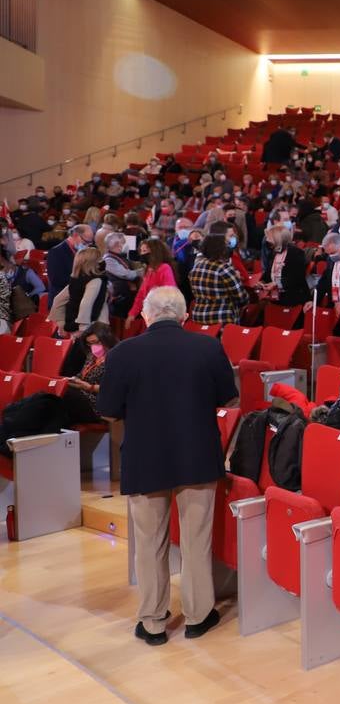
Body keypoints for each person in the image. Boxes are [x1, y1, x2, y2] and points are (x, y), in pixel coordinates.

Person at [97, 287, 236, 646]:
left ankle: (153, 621)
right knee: (195, 541)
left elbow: (108, 410)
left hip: (145, 458)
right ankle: (198, 615)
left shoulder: (123, 353)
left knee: (149, 544)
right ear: (184, 315)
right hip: (197, 456)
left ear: (146, 314)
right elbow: (229, 397)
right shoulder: (207, 347)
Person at [187, 230, 247, 327]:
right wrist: (237, 279)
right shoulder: (224, 269)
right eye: (226, 245)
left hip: (199, 320)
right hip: (222, 321)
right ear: (221, 249)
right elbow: (242, 299)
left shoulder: (195, 269)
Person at [49, 246, 110, 334]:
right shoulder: (96, 280)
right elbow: (86, 304)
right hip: (91, 328)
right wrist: (83, 328)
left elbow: (58, 300)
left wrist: (61, 323)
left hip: (73, 324)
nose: (102, 261)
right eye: (99, 259)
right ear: (93, 263)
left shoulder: (76, 280)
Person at [260, 224, 309, 307]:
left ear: (278, 239)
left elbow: (296, 278)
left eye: (269, 238)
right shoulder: (274, 252)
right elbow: (269, 272)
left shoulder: (296, 253)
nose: (267, 240)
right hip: (276, 296)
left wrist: (276, 283)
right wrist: (261, 281)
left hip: (293, 296)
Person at [46, 223, 93, 299]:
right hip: (61, 298)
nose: (87, 246)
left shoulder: (82, 251)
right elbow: (56, 280)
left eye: (89, 243)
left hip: (78, 295)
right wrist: (82, 282)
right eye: (85, 242)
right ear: (75, 235)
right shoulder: (56, 252)